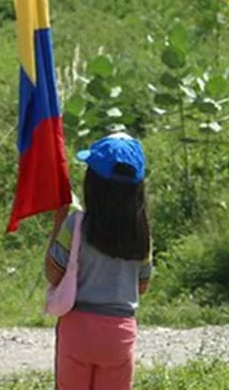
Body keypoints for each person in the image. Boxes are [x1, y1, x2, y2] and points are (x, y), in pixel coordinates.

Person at [45, 132, 152, 390]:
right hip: (120, 334)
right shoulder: (142, 233)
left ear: (93, 184)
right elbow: (143, 286)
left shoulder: (76, 225)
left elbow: (53, 274)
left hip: (77, 329)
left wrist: (59, 221)